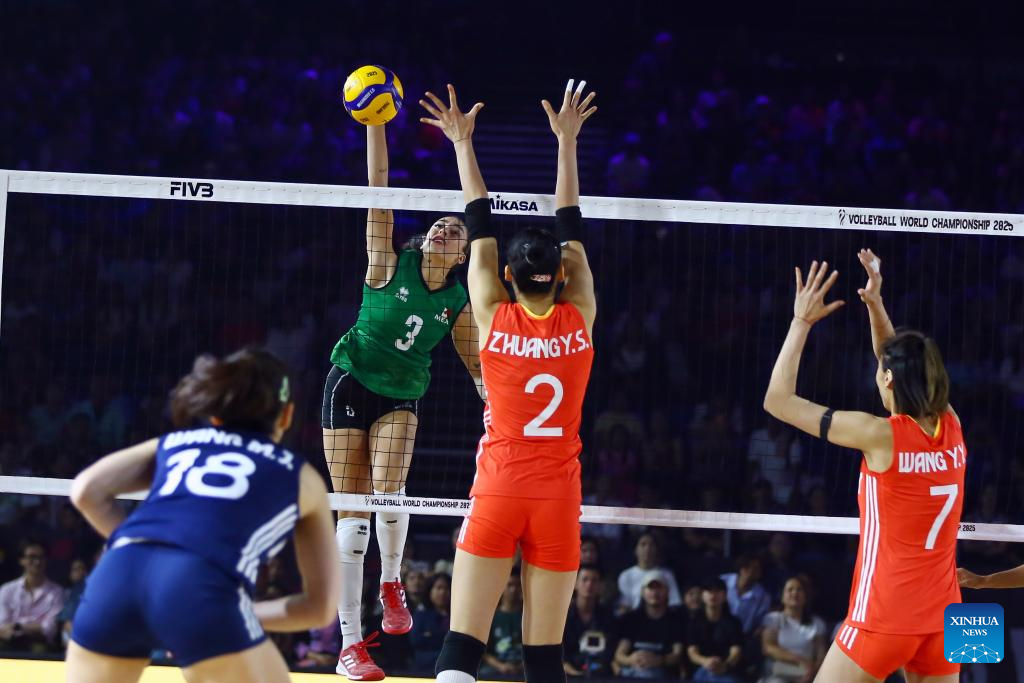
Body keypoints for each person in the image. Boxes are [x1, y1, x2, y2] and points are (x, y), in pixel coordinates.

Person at [419, 78, 597, 683]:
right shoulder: (580, 317)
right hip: (557, 497)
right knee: (544, 660)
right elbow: (571, 225)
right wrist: (567, 142)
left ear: (509, 278)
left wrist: (461, 142)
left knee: (460, 647)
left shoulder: (493, 315)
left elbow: (479, 222)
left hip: (499, 487)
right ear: (561, 277)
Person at [66, 348, 340, 683]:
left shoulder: (178, 442)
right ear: (286, 416)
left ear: (216, 415)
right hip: (201, 586)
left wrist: (139, 544)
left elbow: (86, 491)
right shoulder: (301, 476)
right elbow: (319, 609)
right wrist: (230, 610)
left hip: (116, 574)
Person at [324, 117, 483, 681]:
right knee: (351, 518)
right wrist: (375, 123)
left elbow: (477, 367)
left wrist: (500, 409)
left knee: (389, 491)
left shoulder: (458, 302)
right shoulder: (388, 262)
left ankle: (391, 581)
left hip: (401, 396)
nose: (444, 229)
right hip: (351, 381)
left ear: (462, 255)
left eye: (455, 230)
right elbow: (378, 186)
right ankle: (349, 647)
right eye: (439, 223)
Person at [763, 250, 965, 683]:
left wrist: (801, 322)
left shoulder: (878, 434)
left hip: (885, 615)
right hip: (947, 616)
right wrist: (875, 303)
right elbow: (894, 364)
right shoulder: (952, 425)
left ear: (888, 378)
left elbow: (777, 401)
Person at [613, 570, 686, 679]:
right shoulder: (631, 619)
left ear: (667, 591)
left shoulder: (676, 620)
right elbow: (619, 654)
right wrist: (631, 659)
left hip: (662, 673)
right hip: (633, 671)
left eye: (659, 588)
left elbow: (677, 655)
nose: (655, 592)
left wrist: (658, 660)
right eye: (650, 588)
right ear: (643, 591)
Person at [0, 540, 64, 652]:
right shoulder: (7, 590)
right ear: (21, 560)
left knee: (39, 650)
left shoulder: (57, 592)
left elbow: (50, 629)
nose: (37, 562)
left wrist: (19, 627)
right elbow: (2, 624)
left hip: (40, 643)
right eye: (32, 557)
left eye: (41, 557)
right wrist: (32, 628)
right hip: (8, 640)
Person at [760, 576, 827, 683]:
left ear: (806, 596)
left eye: (799, 589)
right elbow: (768, 647)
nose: (795, 593)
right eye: (790, 589)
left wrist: (812, 672)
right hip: (778, 672)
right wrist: (799, 659)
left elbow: (821, 655)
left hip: (808, 673)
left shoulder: (817, 623)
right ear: (782, 597)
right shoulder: (773, 619)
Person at [686, 578, 744, 683]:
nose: (713, 595)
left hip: (726, 669)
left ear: (725, 596)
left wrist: (725, 665)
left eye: (717, 591)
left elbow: (736, 651)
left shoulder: (734, 622)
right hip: (702, 668)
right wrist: (706, 661)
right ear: (702, 596)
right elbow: (692, 652)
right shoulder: (694, 621)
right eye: (709, 591)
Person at [563, 564, 617, 678]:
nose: (589, 584)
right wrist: (573, 673)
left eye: (594, 580)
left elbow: (610, 650)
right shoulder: (563, 616)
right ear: (575, 584)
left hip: (600, 673)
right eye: (585, 580)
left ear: (600, 586)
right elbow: (558, 652)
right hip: (567, 672)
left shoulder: (608, 616)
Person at [617, 532, 683, 611]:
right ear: (635, 550)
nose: (647, 548)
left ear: (656, 550)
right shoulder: (626, 575)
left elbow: (674, 603)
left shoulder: (666, 574)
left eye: (651, 545)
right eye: (643, 544)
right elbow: (624, 606)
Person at [481, 570, 524, 678]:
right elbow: (484, 652)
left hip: (524, 667)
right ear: (502, 587)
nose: (514, 589)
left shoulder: (528, 616)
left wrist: (522, 666)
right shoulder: (491, 616)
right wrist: (501, 666)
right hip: (496, 667)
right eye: (509, 585)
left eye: (518, 585)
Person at [409, 573, 453, 675]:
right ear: (430, 591)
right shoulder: (421, 614)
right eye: (439, 588)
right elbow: (416, 640)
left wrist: (431, 635)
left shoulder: (456, 615)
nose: (442, 592)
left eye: (446, 588)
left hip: (452, 667)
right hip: (426, 668)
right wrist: (446, 639)